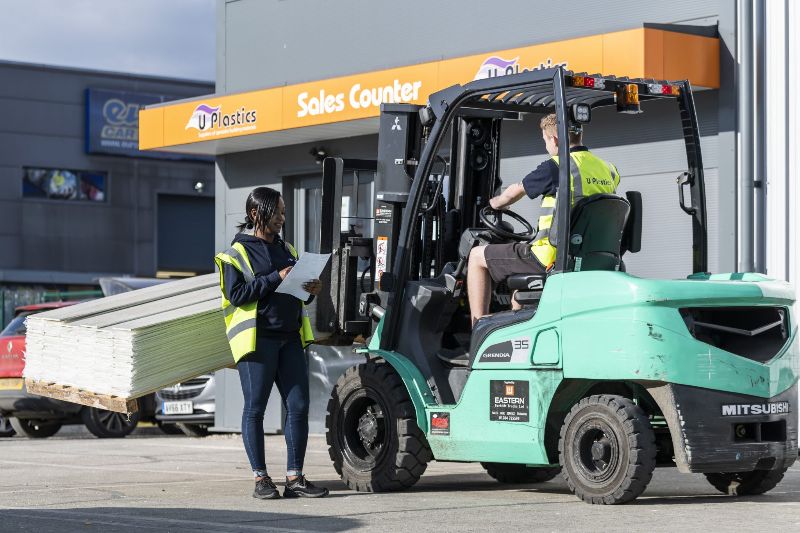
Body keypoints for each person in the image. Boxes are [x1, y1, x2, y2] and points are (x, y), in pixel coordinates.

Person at [214, 186, 328, 500]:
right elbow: (236, 296)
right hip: (258, 340)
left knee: (299, 407)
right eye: (277, 212)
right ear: (255, 214)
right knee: (255, 410)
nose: (282, 218)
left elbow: (295, 294)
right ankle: (261, 479)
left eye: (283, 213)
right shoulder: (233, 255)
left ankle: (295, 478)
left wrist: (310, 289)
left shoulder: (287, 248)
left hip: (290, 338)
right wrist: (276, 277)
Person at [466, 113, 620, 325]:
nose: (546, 146)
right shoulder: (609, 170)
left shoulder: (557, 166)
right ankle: (517, 331)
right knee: (519, 290)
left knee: (476, 256)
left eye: (545, 141)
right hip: (592, 260)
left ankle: (478, 327)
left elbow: (514, 192)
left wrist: (494, 203)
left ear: (554, 139)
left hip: (550, 258)